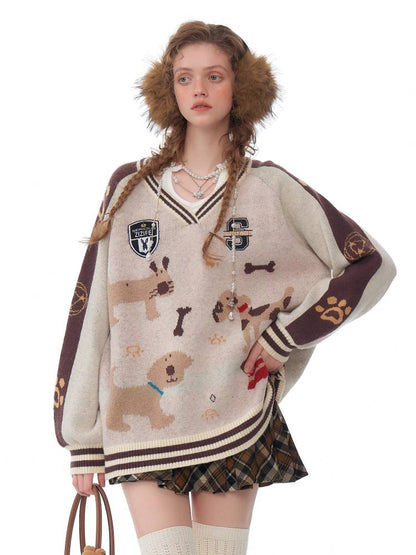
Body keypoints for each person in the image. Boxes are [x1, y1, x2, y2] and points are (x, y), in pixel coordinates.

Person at [54, 20, 396, 555]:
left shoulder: (271, 188)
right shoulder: (130, 188)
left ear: (242, 86)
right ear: (168, 90)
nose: (199, 89)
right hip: (138, 417)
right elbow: (92, 310)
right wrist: (82, 437)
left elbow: (369, 264)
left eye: (214, 76)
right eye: (184, 77)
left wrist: (286, 338)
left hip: (234, 409)